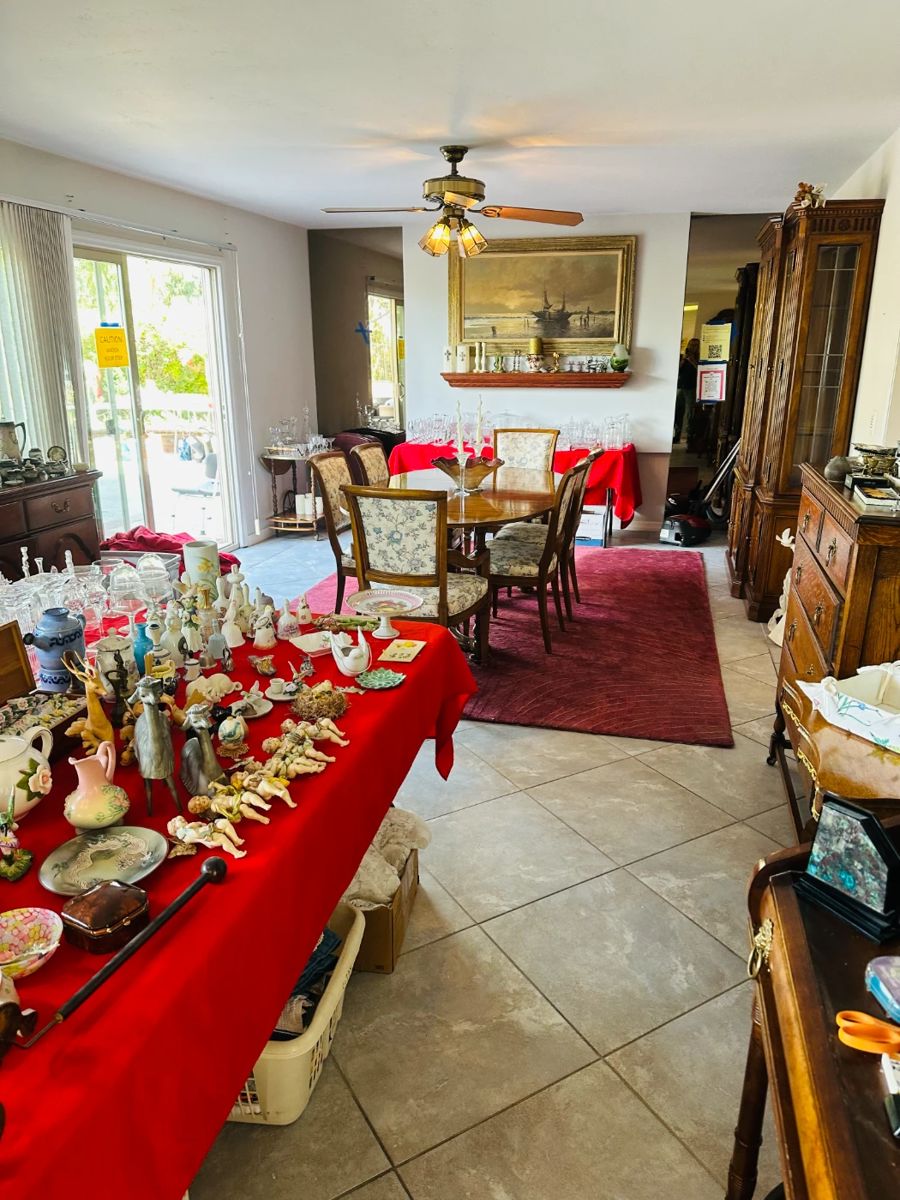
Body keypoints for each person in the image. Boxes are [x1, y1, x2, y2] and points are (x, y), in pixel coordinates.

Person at [673, 338, 699, 443]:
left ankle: (689, 436)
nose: (693, 347)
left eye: (695, 345)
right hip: (680, 386)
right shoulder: (682, 357)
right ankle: (676, 435)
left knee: (689, 413)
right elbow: (677, 370)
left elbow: (700, 371)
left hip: (691, 388)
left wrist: (692, 361)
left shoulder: (699, 358)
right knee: (677, 411)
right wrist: (684, 359)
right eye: (691, 345)